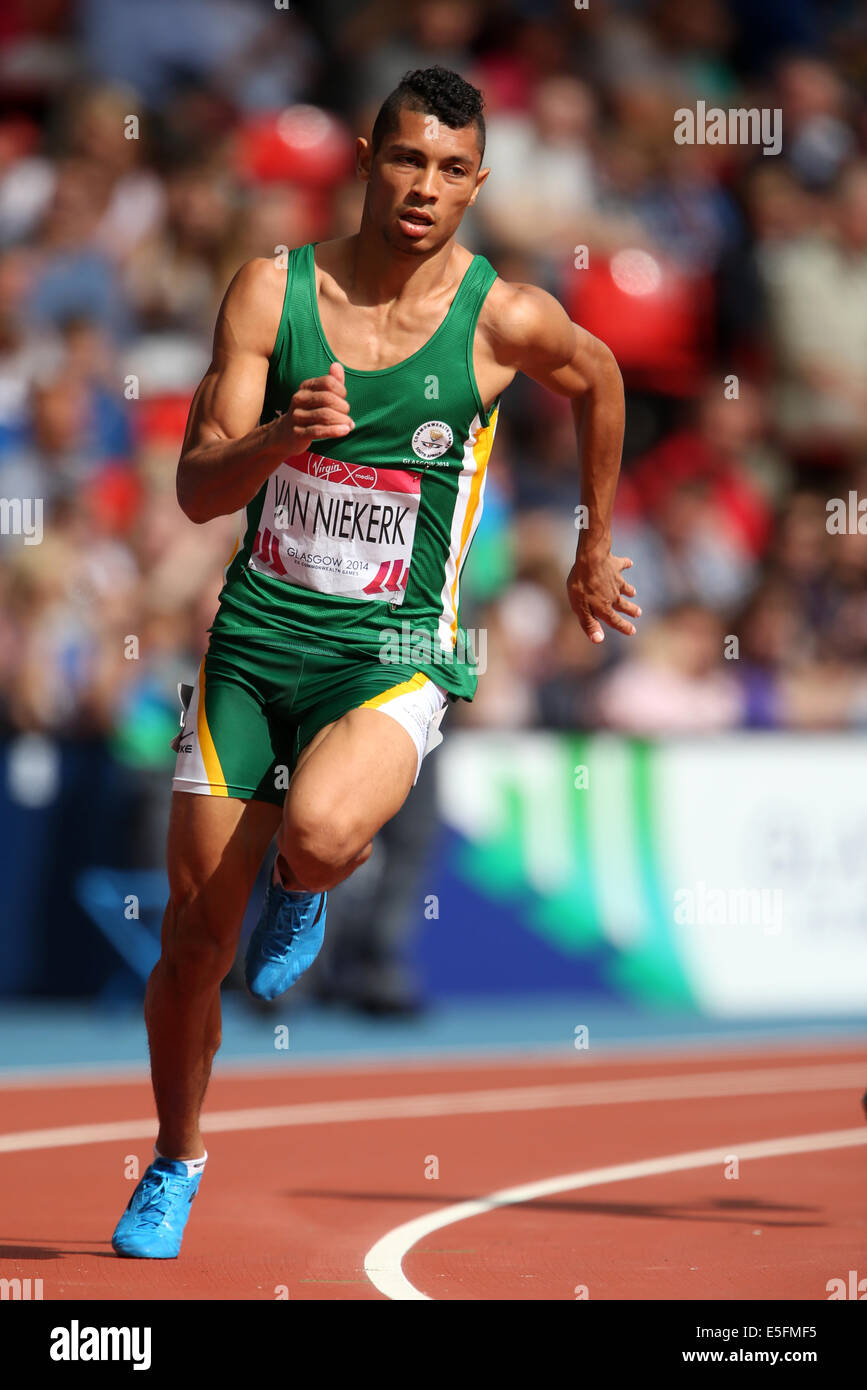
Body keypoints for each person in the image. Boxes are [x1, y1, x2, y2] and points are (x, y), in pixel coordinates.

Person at [111, 65, 639, 1258]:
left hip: (394, 647)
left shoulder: (505, 319)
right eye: (407, 159)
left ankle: (305, 884)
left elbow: (601, 379)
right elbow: (200, 491)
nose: (424, 187)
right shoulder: (269, 292)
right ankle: (176, 1156)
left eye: (452, 169)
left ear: (479, 182)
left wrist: (591, 542)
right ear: (365, 155)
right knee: (194, 942)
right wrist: (281, 435)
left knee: (323, 836)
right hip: (255, 644)